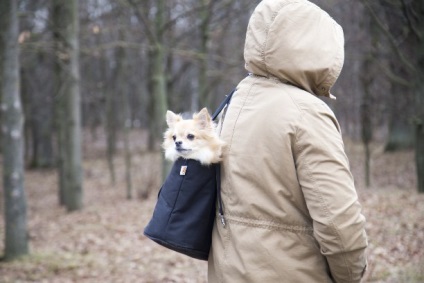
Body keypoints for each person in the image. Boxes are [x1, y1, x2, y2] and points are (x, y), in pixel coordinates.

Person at [208, 0, 368, 282]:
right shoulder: (307, 113)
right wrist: (352, 275)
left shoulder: (232, 103)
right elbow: (339, 224)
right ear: (320, 49)